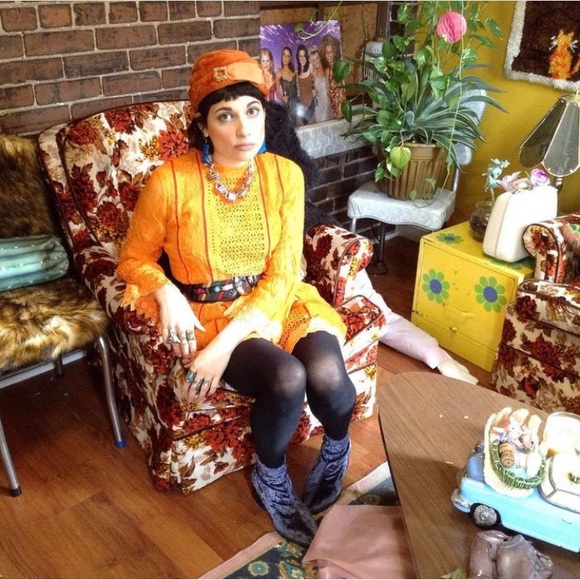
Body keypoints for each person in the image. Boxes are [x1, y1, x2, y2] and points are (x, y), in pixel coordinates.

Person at [116, 50, 356, 548]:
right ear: (203, 126)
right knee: (287, 378)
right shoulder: (170, 181)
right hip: (210, 310)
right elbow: (133, 259)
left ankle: (337, 449)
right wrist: (166, 291)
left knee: (329, 379)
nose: (244, 128)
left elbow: (285, 270)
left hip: (281, 299)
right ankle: (270, 477)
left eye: (252, 110)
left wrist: (222, 350)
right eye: (225, 116)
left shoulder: (284, 174)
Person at [264, 101, 479, 385]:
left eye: (251, 111)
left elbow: (306, 176)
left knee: (374, 307)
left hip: (308, 226)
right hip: (267, 254)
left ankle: (437, 356)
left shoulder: (272, 118)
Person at [321, 35, 346, 119]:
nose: (328, 55)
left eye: (330, 52)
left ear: (334, 53)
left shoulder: (338, 66)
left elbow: (342, 88)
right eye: (326, 52)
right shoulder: (327, 69)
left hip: (340, 102)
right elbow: (327, 89)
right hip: (332, 103)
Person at [274, 46, 299, 124]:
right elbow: (277, 93)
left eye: (288, 56)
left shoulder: (295, 72)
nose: (285, 58)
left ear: (290, 59)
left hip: (296, 105)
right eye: (284, 55)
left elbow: (299, 88)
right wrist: (282, 98)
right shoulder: (279, 74)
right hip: (286, 106)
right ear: (281, 56)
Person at [310, 46, 333, 122]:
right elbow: (314, 89)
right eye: (313, 60)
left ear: (320, 57)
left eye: (317, 58)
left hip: (327, 102)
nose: (315, 62)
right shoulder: (313, 73)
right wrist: (313, 93)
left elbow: (330, 87)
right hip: (318, 105)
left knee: (325, 121)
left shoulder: (326, 70)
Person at [295, 44, 316, 126]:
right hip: (302, 106)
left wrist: (315, 90)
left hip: (311, 104)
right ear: (298, 57)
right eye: (300, 56)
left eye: (304, 56)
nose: (302, 58)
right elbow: (298, 90)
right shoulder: (297, 72)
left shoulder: (310, 67)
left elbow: (317, 81)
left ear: (307, 56)